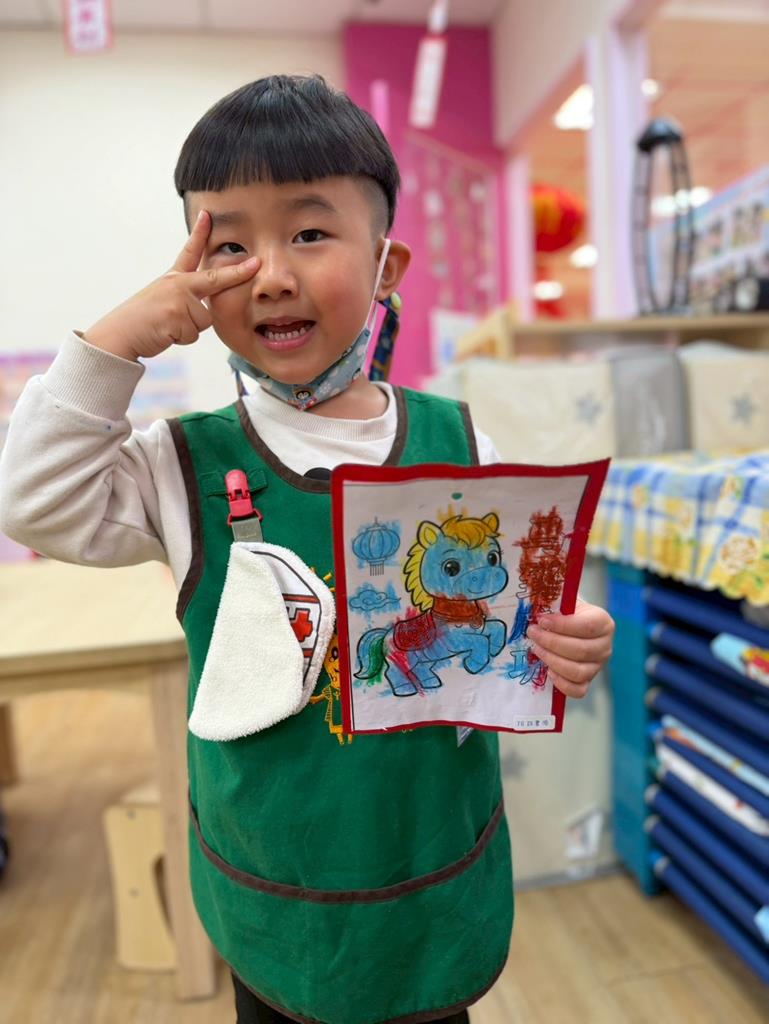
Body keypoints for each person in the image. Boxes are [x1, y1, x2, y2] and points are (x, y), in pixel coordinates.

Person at [0, 75, 614, 1024]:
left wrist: (567, 637)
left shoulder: (463, 445)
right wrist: (117, 342)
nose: (271, 275)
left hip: (429, 880)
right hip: (274, 892)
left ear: (386, 264)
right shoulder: (178, 463)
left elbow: (514, 624)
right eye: (229, 245)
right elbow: (31, 500)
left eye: (311, 232)